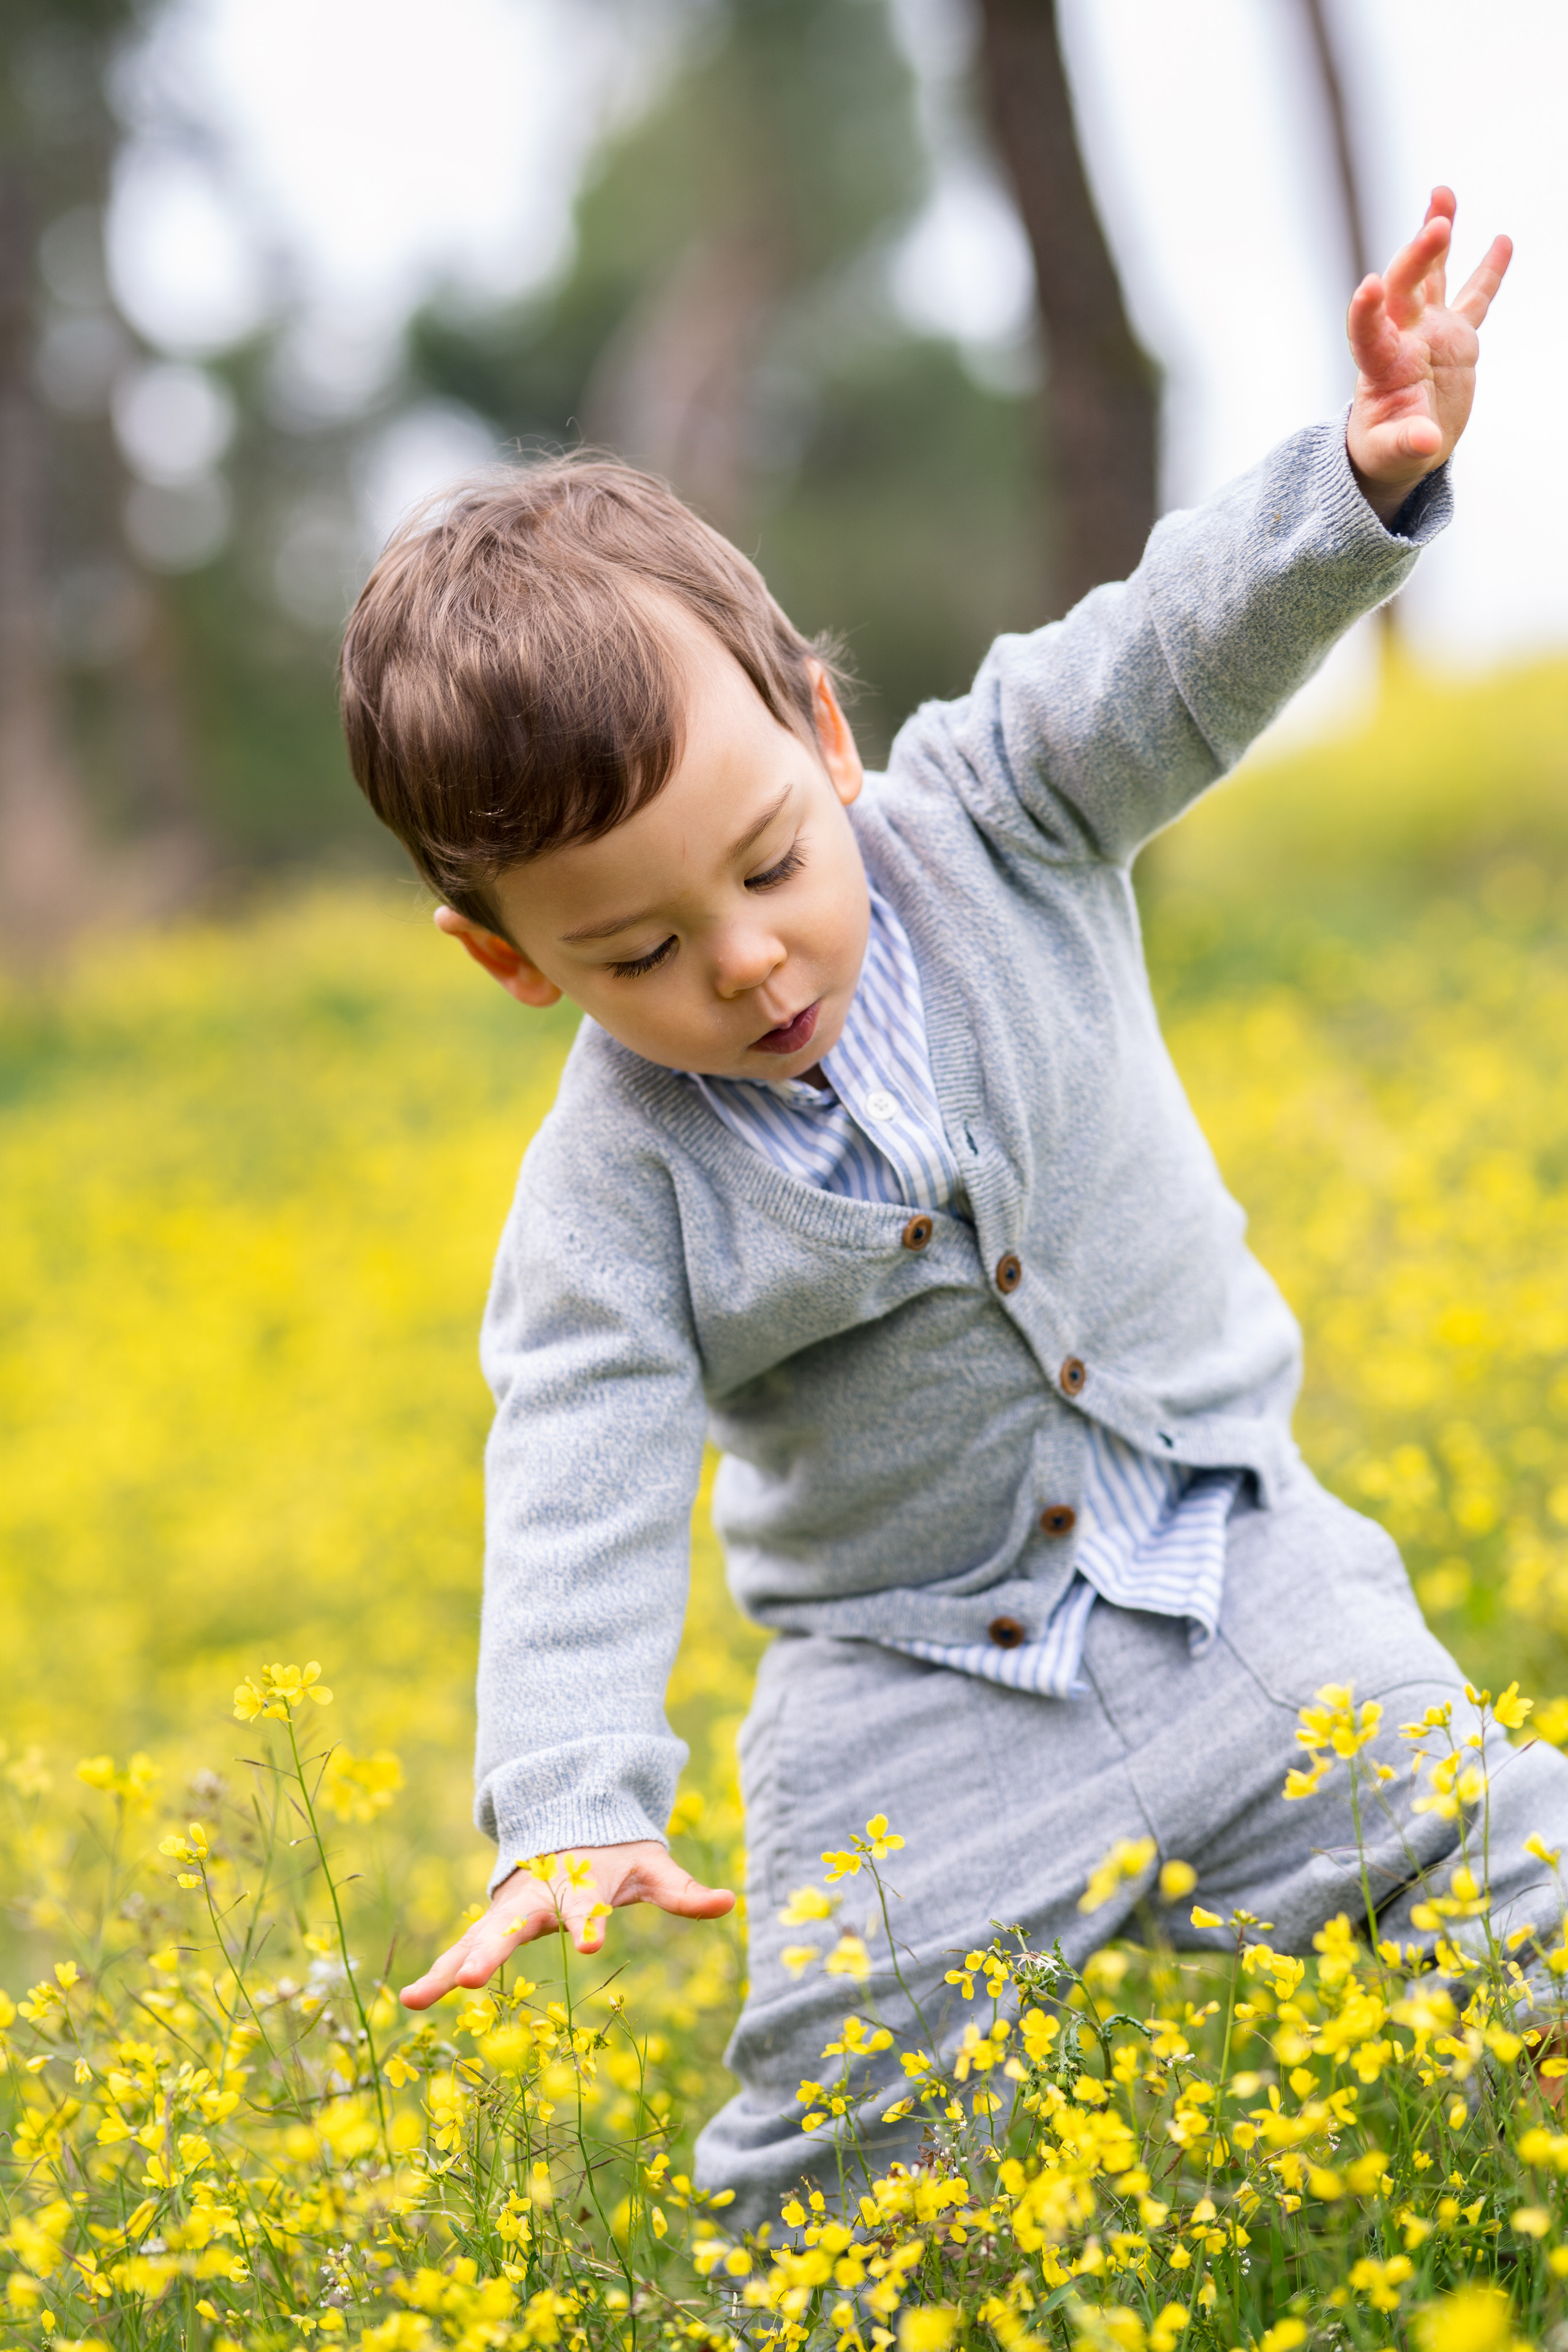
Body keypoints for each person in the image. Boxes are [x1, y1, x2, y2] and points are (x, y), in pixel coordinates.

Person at [338, 190, 1540, 2224]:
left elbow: (1169, 650)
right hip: (911, 1687)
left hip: (1235, 1555)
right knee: (835, 2163)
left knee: (1509, 1874)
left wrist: (1353, 482)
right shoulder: (610, 1186)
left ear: (825, 730)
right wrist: (565, 1810)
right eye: (635, 953)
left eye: (770, 864)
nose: (742, 963)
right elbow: (578, 1462)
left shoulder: (1005, 810)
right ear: (512, 960)